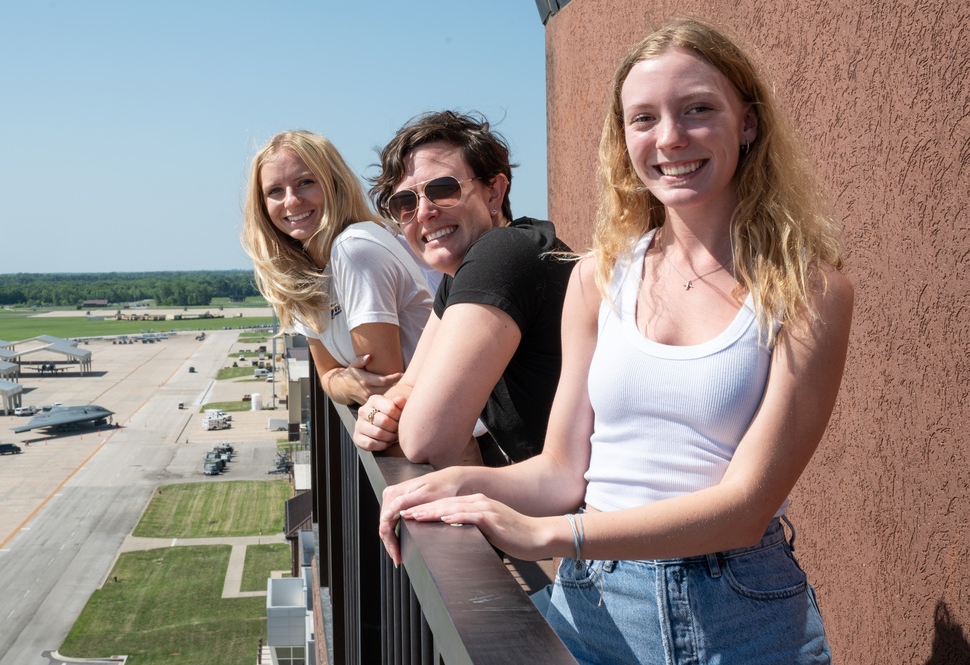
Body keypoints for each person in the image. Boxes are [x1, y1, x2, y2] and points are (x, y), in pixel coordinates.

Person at [377, 18, 853, 664]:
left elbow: (746, 505)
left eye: (697, 110)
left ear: (746, 123)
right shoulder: (598, 279)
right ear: (621, 137)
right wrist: (457, 484)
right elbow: (560, 470)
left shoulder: (808, 289)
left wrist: (551, 532)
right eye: (643, 119)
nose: (670, 138)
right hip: (595, 609)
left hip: (743, 615)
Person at [352, 111, 574, 468]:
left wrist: (404, 420)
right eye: (404, 203)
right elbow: (408, 388)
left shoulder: (503, 254)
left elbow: (426, 438)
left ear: (494, 192)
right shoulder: (462, 274)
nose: (423, 212)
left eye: (442, 190)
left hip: (580, 515)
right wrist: (379, 412)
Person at [242, 130, 433, 406]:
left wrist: (344, 382)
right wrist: (342, 382)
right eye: (275, 191)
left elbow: (383, 389)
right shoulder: (303, 272)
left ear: (334, 183)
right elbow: (328, 375)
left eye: (305, 182)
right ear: (262, 206)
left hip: (454, 434)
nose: (292, 201)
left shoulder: (354, 248)